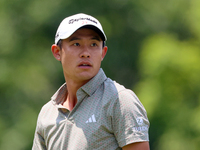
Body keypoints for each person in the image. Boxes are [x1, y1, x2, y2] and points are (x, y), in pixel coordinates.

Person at [32, 13, 150, 150]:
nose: (86, 53)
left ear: (103, 53)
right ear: (57, 52)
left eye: (94, 44)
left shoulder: (120, 100)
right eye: (76, 44)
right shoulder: (47, 113)